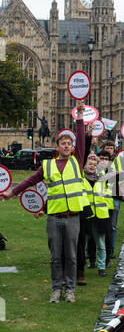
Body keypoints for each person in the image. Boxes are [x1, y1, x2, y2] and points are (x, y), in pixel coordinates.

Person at [0, 101, 87, 303]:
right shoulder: (47, 166)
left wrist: (80, 117)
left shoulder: (78, 161)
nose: (67, 146)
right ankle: (57, 289)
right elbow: (30, 181)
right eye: (63, 143)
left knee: (72, 257)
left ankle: (71, 290)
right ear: (57, 146)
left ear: (73, 147)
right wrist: (12, 192)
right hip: (54, 218)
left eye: (69, 143)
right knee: (56, 257)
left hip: (73, 217)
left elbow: (82, 139)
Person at [82, 153, 111, 277]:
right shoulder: (80, 177)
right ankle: (85, 263)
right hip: (85, 214)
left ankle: (101, 267)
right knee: (85, 241)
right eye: (90, 164)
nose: (92, 166)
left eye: (94, 164)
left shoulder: (102, 177)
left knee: (100, 243)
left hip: (100, 214)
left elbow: (108, 192)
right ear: (85, 165)